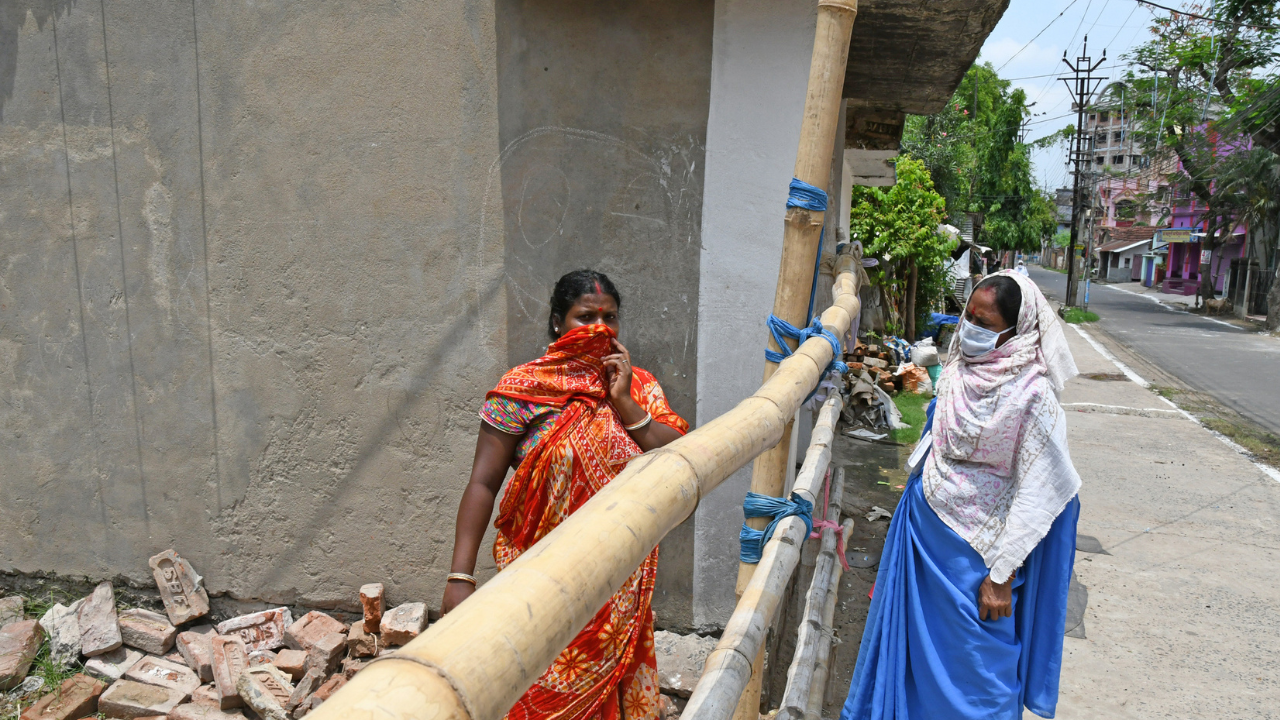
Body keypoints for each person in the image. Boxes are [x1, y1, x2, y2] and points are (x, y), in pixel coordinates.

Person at [442, 269, 688, 720]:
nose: (599, 328)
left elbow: (680, 457)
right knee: (540, 687)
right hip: (540, 576)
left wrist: (624, 403)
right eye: (585, 316)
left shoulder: (639, 386)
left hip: (618, 576)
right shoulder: (522, 390)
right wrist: (460, 577)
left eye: (609, 317)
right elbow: (482, 483)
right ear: (557, 322)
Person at [840, 270, 1081, 720]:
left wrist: (1002, 574)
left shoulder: (1034, 396)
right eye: (968, 316)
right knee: (913, 666)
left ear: (1017, 329)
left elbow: (1040, 491)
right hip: (925, 534)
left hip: (980, 560)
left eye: (984, 323)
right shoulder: (956, 369)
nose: (970, 329)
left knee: (981, 679)